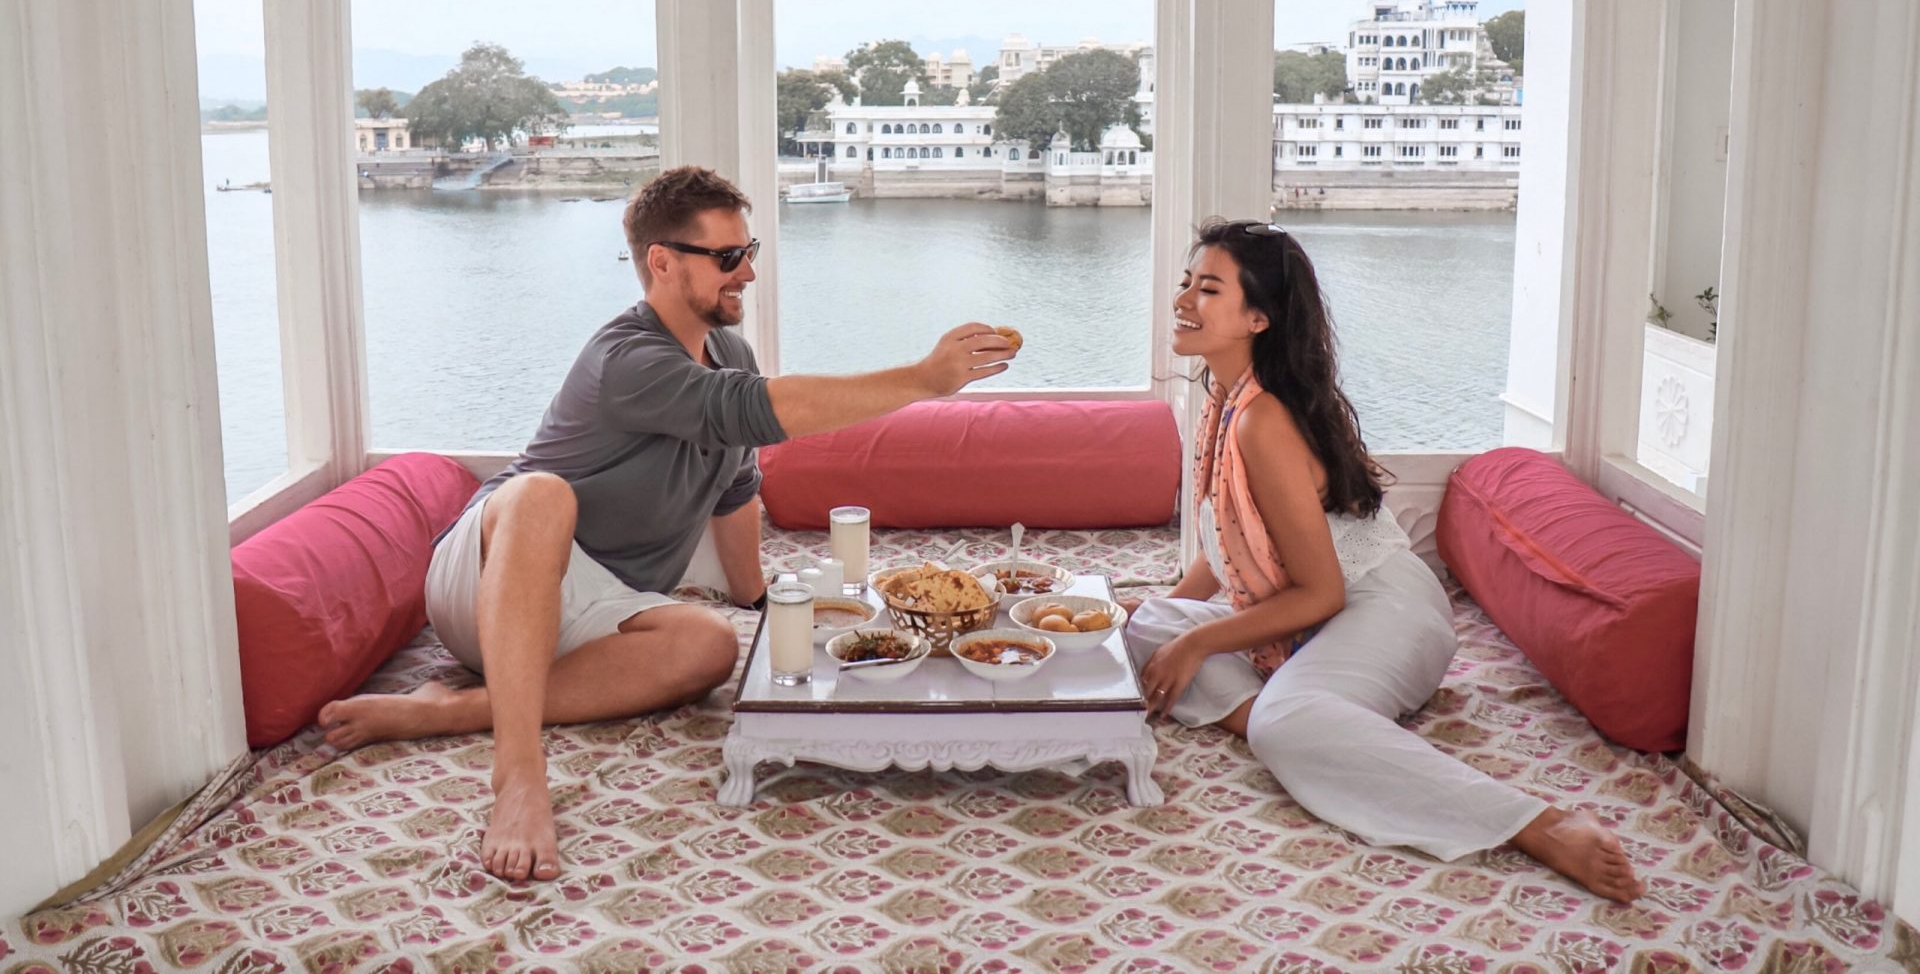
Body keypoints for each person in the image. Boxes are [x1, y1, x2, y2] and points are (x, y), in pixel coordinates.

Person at [316, 166, 1017, 884]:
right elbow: (754, 413)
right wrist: (924, 381)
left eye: (750, 252)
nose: (745, 272)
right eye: (726, 258)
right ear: (661, 261)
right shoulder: (627, 357)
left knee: (708, 645)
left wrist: (759, 602)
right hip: (492, 574)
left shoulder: (730, 353)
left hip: (600, 607)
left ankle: (451, 710)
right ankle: (519, 779)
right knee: (541, 495)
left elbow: (735, 488)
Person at [1124, 218, 1642, 904]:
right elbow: (1225, 549)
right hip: (1314, 618)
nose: (1184, 300)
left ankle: (1534, 826)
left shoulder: (1262, 421)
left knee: (1278, 714)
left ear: (1257, 317)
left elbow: (1320, 594)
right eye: (1188, 283)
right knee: (1135, 624)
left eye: (1207, 288)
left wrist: (1198, 638)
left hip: (1384, 609)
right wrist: (1174, 616)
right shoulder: (1222, 400)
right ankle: (1305, 722)